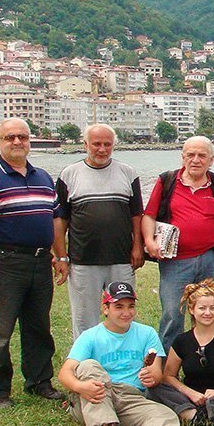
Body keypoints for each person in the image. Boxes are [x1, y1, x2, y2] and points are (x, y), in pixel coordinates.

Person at [0, 117, 64, 409]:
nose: (17, 142)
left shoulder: (43, 177)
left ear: (29, 141)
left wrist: (61, 255)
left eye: (22, 136)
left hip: (40, 262)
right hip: (3, 263)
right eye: (10, 137)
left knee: (38, 327)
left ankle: (39, 381)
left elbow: (55, 219)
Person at [57, 281, 197, 426]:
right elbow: (64, 373)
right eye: (119, 307)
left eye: (131, 306)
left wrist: (151, 376)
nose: (126, 312)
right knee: (88, 365)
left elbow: (157, 372)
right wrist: (80, 386)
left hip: (130, 397)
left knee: (164, 414)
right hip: (95, 396)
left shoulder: (147, 334)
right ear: (105, 308)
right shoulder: (90, 336)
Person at [54, 124, 145, 341]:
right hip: (83, 260)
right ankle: (85, 359)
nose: (102, 149)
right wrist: (61, 256)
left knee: (123, 315)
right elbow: (59, 219)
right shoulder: (69, 174)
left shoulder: (128, 173)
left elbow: (136, 215)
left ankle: (122, 355)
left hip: (121, 259)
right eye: (96, 144)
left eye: (107, 144)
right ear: (85, 144)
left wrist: (138, 246)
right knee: (84, 320)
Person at [142, 136, 214, 351]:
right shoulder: (167, 181)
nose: (196, 160)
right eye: (191, 155)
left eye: (202, 155)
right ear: (183, 157)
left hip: (210, 258)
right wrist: (149, 241)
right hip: (175, 261)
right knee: (173, 314)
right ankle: (167, 364)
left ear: (211, 160)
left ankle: (205, 361)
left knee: (207, 313)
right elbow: (149, 215)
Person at [149, 279, 214, 425]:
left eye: (213, 308)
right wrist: (190, 393)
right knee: (157, 388)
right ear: (192, 310)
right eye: (202, 308)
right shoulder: (182, 341)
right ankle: (193, 415)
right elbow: (168, 376)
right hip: (191, 399)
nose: (208, 313)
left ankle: (206, 414)